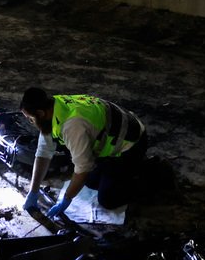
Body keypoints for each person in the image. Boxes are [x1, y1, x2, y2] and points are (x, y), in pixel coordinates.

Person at [18, 87, 147, 218]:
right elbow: (43, 154)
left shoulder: (72, 126)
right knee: (90, 182)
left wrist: (66, 199)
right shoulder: (54, 106)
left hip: (131, 145)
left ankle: (148, 174)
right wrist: (33, 191)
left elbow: (83, 169)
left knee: (108, 199)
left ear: (40, 114)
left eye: (30, 119)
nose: (31, 123)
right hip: (113, 138)